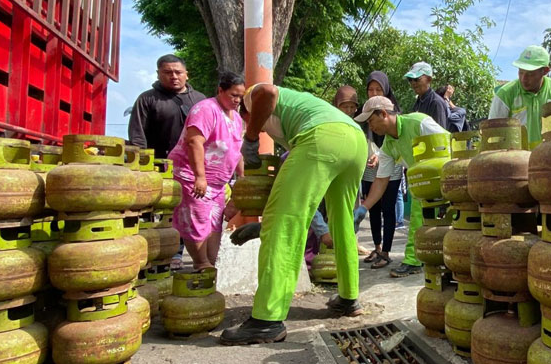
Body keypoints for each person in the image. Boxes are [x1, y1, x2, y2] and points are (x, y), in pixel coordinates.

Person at [220, 84, 368, 345]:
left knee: (284, 222)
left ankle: (267, 320)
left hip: (324, 136)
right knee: (342, 219)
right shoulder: (297, 115)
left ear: (243, 111)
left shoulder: (251, 99)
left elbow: (267, 92)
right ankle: (348, 298)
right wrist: (261, 226)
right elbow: (294, 194)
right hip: (355, 141)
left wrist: (251, 137)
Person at [354, 96, 449, 278]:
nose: (370, 127)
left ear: (383, 114)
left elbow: (449, 145)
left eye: (371, 121)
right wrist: (363, 208)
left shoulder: (419, 122)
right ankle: (415, 261)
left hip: (446, 179)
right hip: (422, 187)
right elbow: (381, 180)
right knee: (418, 222)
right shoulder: (389, 145)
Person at [168, 72, 245, 270]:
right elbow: (194, 141)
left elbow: (238, 151)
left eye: (240, 96)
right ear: (221, 90)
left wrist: (243, 179)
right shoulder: (205, 109)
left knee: (214, 223)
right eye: (233, 95)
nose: (237, 100)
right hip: (192, 175)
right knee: (198, 219)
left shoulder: (236, 118)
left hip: (219, 184)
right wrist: (199, 177)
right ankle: (201, 263)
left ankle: (209, 262)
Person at [361, 71, 404, 269]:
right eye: (371, 89)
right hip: (369, 166)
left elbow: (394, 141)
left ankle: (386, 251)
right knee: (373, 208)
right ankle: (377, 248)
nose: (374, 93)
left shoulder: (395, 114)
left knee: (388, 208)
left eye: (378, 89)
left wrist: (379, 154)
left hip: (391, 164)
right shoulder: (366, 112)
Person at [488, 45, 551, 148]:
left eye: (530, 74)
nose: (524, 79)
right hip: (515, 159)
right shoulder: (504, 94)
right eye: (520, 72)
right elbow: (492, 133)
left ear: (545, 71)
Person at [128, 54, 206, 159]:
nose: (174, 76)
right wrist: (142, 160)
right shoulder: (147, 99)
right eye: (167, 72)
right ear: (158, 74)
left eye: (178, 72)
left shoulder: (200, 99)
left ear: (186, 75)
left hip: (194, 164)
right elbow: (137, 134)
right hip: (159, 163)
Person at [405, 61, 450, 130]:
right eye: (410, 80)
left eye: (417, 79)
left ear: (429, 79)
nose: (413, 83)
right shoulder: (419, 101)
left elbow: (440, 134)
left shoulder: (436, 103)